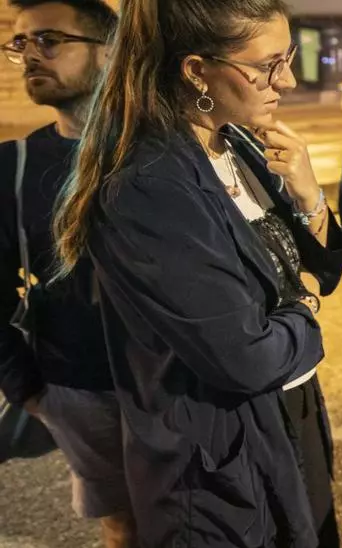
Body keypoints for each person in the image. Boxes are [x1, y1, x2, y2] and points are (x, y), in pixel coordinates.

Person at [50, 0, 342, 545]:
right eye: (267, 66)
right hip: (219, 465)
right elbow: (247, 357)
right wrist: (305, 308)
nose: (287, 80)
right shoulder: (151, 186)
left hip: (287, 415)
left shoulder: (236, 142)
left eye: (287, 58)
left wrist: (309, 197)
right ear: (196, 71)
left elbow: (322, 271)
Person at [0, 0, 128, 545]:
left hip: (183, 384)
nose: (31, 55)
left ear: (110, 52)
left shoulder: (163, 151)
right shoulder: (14, 166)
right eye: (20, 43)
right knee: (125, 527)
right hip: (82, 389)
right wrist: (29, 389)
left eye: (49, 40)